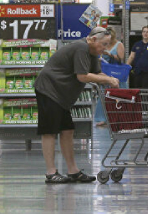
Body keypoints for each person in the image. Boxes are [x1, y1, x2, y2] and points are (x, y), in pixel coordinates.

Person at [34, 27, 119, 184]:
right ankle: (51, 173)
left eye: (107, 45)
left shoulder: (93, 52)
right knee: (49, 131)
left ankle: (73, 171)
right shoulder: (81, 48)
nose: (105, 48)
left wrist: (109, 78)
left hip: (62, 95)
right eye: (104, 44)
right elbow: (82, 76)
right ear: (93, 39)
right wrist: (107, 80)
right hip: (50, 89)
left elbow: (96, 74)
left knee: (67, 130)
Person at [94, 28, 127, 127]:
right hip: (105, 73)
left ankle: (121, 118)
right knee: (104, 96)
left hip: (117, 74)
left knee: (118, 96)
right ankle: (102, 118)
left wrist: (109, 54)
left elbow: (121, 59)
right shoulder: (103, 44)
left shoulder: (119, 45)